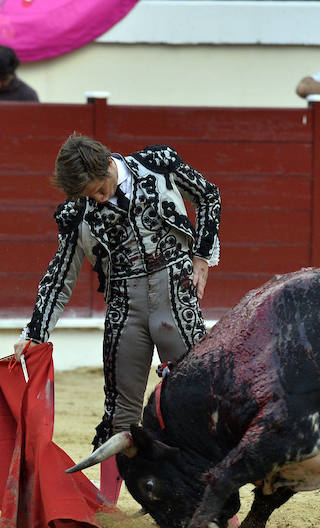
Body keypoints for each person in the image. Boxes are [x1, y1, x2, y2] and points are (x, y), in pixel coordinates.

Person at [13, 133, 221, 504]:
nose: (97, 199)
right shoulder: (77, 212)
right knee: (119, 412)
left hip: (175, 296)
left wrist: (202, 256)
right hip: (125, 308)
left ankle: (220, 508)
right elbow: (60, 275)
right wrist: (35, 332)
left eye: (99, 189)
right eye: (89, 196)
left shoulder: (157, 165)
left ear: (109, 164)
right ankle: (108, 508)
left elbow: (209, 195)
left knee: (196, 402)